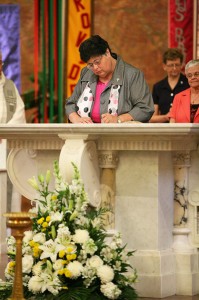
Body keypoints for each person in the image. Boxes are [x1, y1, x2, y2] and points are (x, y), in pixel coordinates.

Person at [65, 35, 154, 123]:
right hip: (88, 134)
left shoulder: (132, 75)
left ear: (107, 52)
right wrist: (76, 119)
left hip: (121, 135)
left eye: (97, 62)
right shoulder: (86, 73)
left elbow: (145, 108)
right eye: (90, 65)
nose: (95, 68)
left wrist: (119, 119)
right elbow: (71, 104)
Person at [0, 51, 26, 214]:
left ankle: (6, 235)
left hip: (5, 147)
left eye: (0, 61)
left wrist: (5, 132)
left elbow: (19, 113)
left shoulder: (9, 86)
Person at [150, 48, 189, 123]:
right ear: (164, 66)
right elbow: (152, 118)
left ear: (181, 65)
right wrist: (166, 117)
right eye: (171, 65)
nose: (174, 68)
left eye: (177, 65)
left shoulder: (188, 84)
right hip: (164, 130)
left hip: (184, 128)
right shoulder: (158, 87)